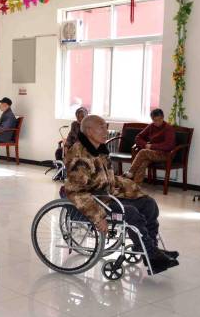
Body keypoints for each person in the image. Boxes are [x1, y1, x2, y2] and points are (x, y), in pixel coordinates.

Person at [65, 115, 179, 274]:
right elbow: (76, 191)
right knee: (130, 212)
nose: (106, 131)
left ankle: (151, 250)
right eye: (101, 127)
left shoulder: (100, 150)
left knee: (148, 204)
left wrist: (132, 188)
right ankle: (151, 254)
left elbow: (109, 179)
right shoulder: (79, 155)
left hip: (108, 196)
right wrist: (98, 216)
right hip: (94, 201)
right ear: (89, 131)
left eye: (106, 127)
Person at [124, 108, 176, 183]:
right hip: (151, 153)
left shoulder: (168, 128)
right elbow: (138, 137)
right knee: (143, 163)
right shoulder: (151, 126)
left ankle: (131, 172)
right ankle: (135, 185)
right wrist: (145, 144)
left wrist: (152, 146)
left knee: (143, 152)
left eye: (159, 120)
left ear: (163, 117)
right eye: (154, 120)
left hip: (165, 154)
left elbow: (169, 146)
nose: (157, 122)